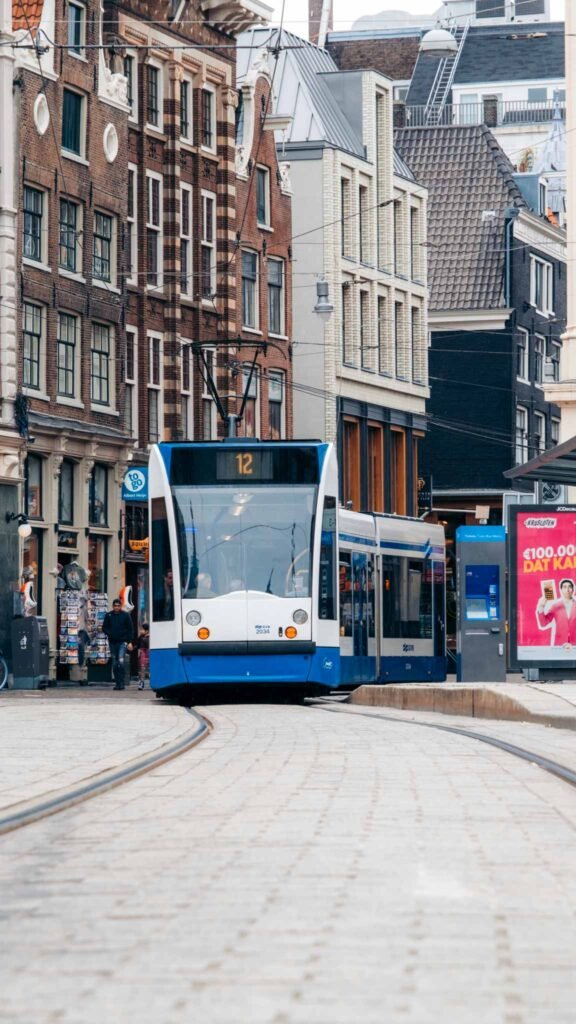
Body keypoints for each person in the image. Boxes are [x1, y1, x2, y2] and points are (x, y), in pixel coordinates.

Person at [102, 598, 134, 690]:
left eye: (118, 605)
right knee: (115, 663)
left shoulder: (125, 615)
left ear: (120, 606)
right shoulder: (109, 615)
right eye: (115, 605)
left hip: (122, 642)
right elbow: (104, 628)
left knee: (121, 662)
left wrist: (129, 641)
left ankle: (122, 682)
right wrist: (110, 633)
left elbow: (130, 629)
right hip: (112, 642)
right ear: (113, 606)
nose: (116, 607)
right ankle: (117, 683)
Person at [536, 578, 576, 649]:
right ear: (561, 590)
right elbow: (543, 623)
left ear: (573, 589)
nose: (568, 589)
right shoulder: (556, 606)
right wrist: (541, 606)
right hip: (560, 644)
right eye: (565, 587)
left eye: (570, 586)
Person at [137, 622, 150, 691]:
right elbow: (138, 644)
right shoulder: (141, 637)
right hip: (143, 652)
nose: (140, 630)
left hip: (149, 652)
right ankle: (141, 682)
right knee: (142, 668)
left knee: (150, 668)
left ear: (146, 630)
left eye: (142, 629)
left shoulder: (150, 636)